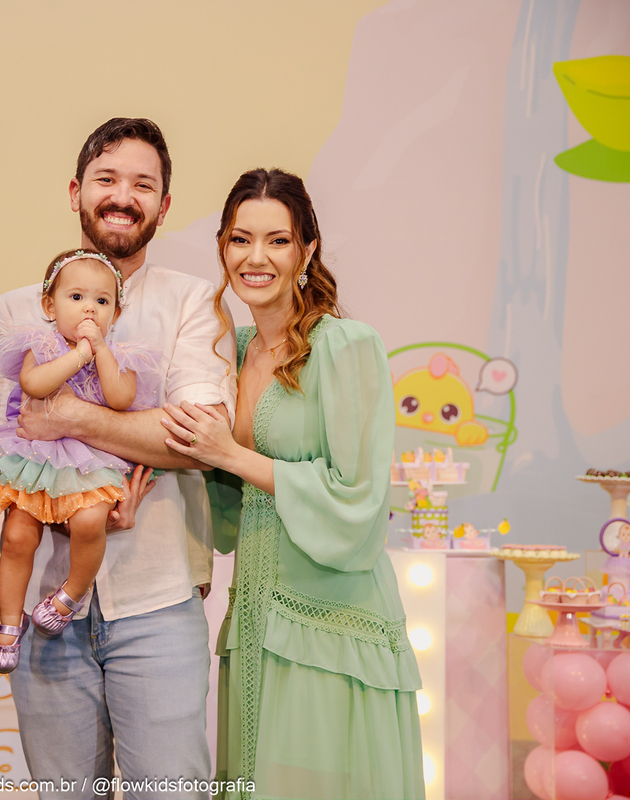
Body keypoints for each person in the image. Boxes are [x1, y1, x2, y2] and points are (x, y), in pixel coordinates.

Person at [0, 118, 236, 799]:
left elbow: (201, 437)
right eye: (107, 179)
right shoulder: (13, 313)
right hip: (43, 608)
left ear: (164, 205)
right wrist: (70, 506)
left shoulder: (194, 303)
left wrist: (69, 418)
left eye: (143, 185)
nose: (123, 196)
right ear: (76, 192)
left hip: (158, 601)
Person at [161, 168, 424, 799]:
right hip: (254, 614)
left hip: (331, 620)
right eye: (240, 239)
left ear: (307, 251)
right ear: (222, 248)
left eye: (277, 241)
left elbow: (358, 497)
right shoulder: (231, 350)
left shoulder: (346, 345)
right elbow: (215, 482)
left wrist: (231, 454)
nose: (256, 258)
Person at [0, 248, 162, 673]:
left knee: (90, 522)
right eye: (76, 297)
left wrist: (100, 351)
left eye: (102, 300)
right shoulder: (41, 346)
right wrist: (77, 356)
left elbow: (120, 399)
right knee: (17, 535)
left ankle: (70, 595)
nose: (89, 309)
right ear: (49, 306)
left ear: (116, 312)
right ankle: (9, 620)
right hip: (38, 457)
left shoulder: (123, 356)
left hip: (89, 459)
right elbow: (34, 384)